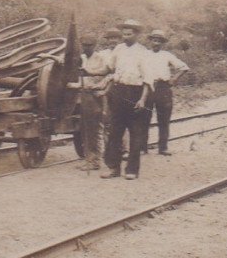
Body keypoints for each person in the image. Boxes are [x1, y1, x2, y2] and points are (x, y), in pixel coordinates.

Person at [101, 19, 152, 181]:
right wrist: (88, 70)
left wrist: (143, 100)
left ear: (136, 35)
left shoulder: (143, 52)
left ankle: (132, 170)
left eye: (129, 34)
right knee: (115, 132)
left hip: (135, 93)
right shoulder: (118, 49)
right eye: (124, 34)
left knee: (135, 133)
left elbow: (148, 80)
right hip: (118, 91)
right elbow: (109, 67)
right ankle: (113, 168)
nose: (125, 37)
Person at [140, 29, 190, 155]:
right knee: (144, 118)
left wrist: (174, 78)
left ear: (162, 43)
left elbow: (184, 67)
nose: (156, 43)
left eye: (159, 41)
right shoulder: (144, 54)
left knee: (164, 119)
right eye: (154, 40)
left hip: (163, 88)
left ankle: (163, 147)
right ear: (150, 41)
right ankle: (142, 148)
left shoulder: (167, 55)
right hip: (148, 87)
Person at [78, 33, 111, 171]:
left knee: (96, 128)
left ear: (95, 45)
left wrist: (102, 89)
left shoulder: (101, 58)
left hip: (96, 96)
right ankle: (89, 159)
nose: (86, 48)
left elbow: (109, 75)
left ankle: (97, 160)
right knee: (86, 129)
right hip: (84, 95)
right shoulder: (81, 58)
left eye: (89, 46)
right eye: (84, 46)